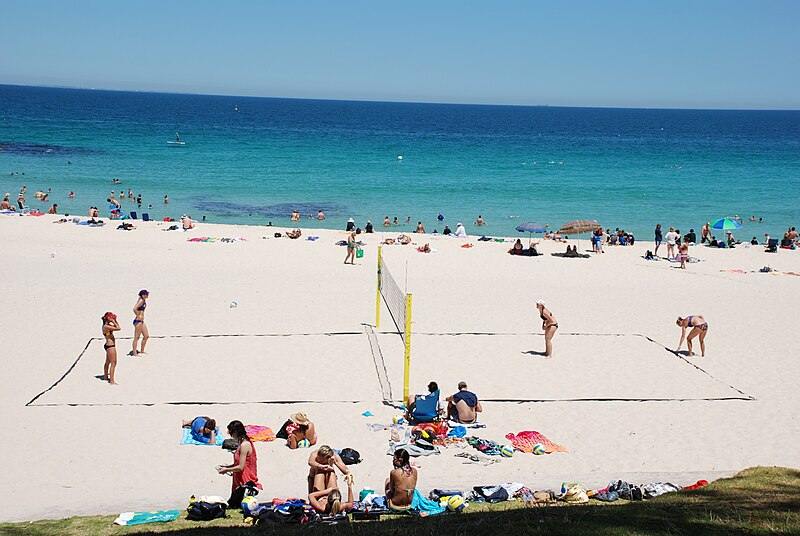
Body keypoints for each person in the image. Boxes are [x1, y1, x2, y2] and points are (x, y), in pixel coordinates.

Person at [217, 420, 262, 507]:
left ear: (236, 432)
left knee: (234, 505)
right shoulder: (242, 444)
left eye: (231, 433)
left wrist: (226, 470)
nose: (231, 435)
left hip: (245, 482)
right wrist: (226, 467)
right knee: (232, 504)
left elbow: (241, 467)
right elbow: (239, 463)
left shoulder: (245, 445)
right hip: (238, 480)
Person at [385, 449, 417, 513]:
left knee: (387, 480)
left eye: (394, 459)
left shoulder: (394, 472)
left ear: (400, 460)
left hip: (396, 506)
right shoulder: (414, 471)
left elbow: (391, 490)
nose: (393, 461)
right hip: (410, 505)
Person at [101, 312, 120, 385]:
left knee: (108, 362)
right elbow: (118, 328)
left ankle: (106, 377)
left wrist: (115, 321)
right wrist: (114, 321)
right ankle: (112, 381)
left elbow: (117, 326)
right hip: (110, 346)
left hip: (109, 345)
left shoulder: (107, 325)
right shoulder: (106, 326)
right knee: (113, 363)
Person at [131, 289, 149, 356]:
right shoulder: (141, 301)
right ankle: (134, 352)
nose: (147, 295)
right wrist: (138, 315)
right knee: (137, 337)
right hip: (138, 321)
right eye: (146, 294)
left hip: (141, 321)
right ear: (143, 295)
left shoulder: (143, 301)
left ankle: (142, 350)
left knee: (146, 336)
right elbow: (134, 308)